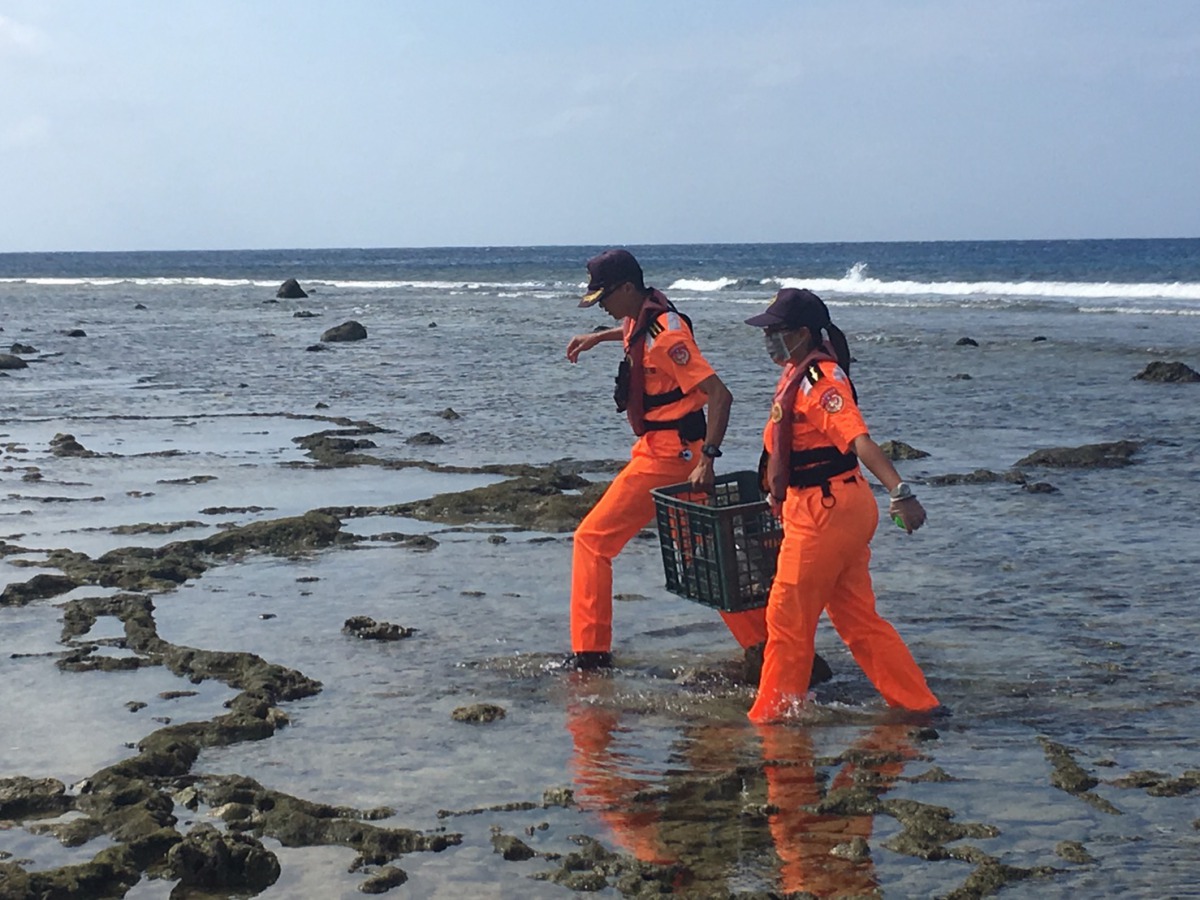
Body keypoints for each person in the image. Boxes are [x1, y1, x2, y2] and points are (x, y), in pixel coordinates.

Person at [743, 288, 940, 723]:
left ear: (804, 334)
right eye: (769, 331)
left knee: (787, 618)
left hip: (825, 510)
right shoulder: (798, 371)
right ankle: (918, 705)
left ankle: (772, 716)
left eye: (778, 331)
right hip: (831, 506)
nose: (770, 339)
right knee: (857, 619)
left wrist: (900, 492)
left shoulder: (821, 381)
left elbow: (859, 440)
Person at [564, 248, 764, 670]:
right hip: (668, 450)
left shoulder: (669, 337)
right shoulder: (645, 314)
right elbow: (633, 332)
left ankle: (590, 653)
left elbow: (720, 396)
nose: (601, 304)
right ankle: (766, 647)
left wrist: (708, 459)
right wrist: (597, 337)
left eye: (604, 297)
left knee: (592, 541)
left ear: (627, 288)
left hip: (670, 456)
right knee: (701, 558)